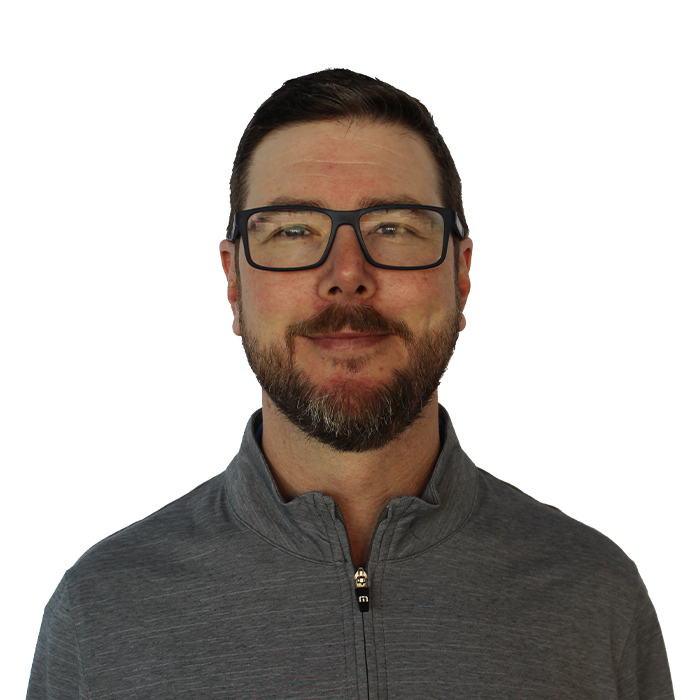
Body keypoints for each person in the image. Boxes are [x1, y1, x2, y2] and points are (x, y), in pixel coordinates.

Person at [27, 68, 674, 699]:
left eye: (393, 228)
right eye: (292, 230)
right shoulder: (101, 613)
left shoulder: (596, 598)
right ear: (232, 281)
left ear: (462, 274)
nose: (346, 275)